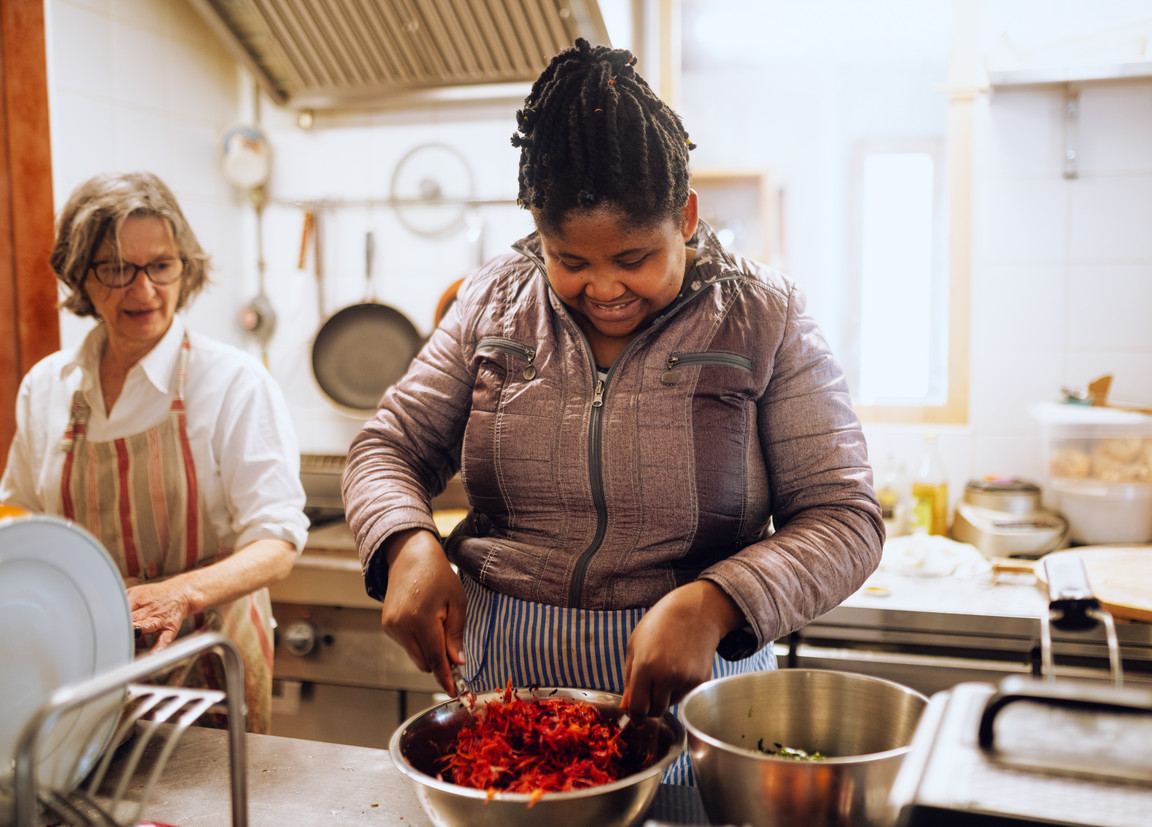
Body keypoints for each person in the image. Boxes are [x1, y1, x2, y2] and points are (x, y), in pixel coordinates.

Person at [343, 39, 883, 782]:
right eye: (570, 260)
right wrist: (404, 540)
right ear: (537, 229)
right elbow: (388, 447)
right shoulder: (492, 299)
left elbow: (844, 515)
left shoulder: (764, 314)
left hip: (700, 694)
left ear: (685, 217)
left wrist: (716, 602)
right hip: (507, 684)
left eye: (633, 258)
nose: (603, 288)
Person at [0, 171, 308, 733]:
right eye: (116, 269)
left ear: (184, 267)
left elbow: (277, 544)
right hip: (82, 674)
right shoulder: (47, 386)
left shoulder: (232, 382)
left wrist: (178, 593)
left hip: (207, 670)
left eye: (160, 266)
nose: (143, 292)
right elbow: (17, 516)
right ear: (80, 277)